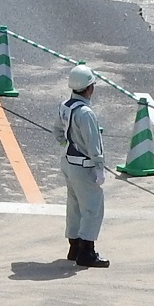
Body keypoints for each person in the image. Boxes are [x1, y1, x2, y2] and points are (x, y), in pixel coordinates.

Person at [55, 64, 109, 267]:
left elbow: (57, 131)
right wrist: (99, 167)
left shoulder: (65, 106)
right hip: (83, 166)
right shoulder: (86, 113)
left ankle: (74, 246)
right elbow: (93, 144)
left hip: (68, 162)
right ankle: (87, 252)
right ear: (89, 88)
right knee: (92, 208)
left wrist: (68, 145)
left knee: (74, 205)